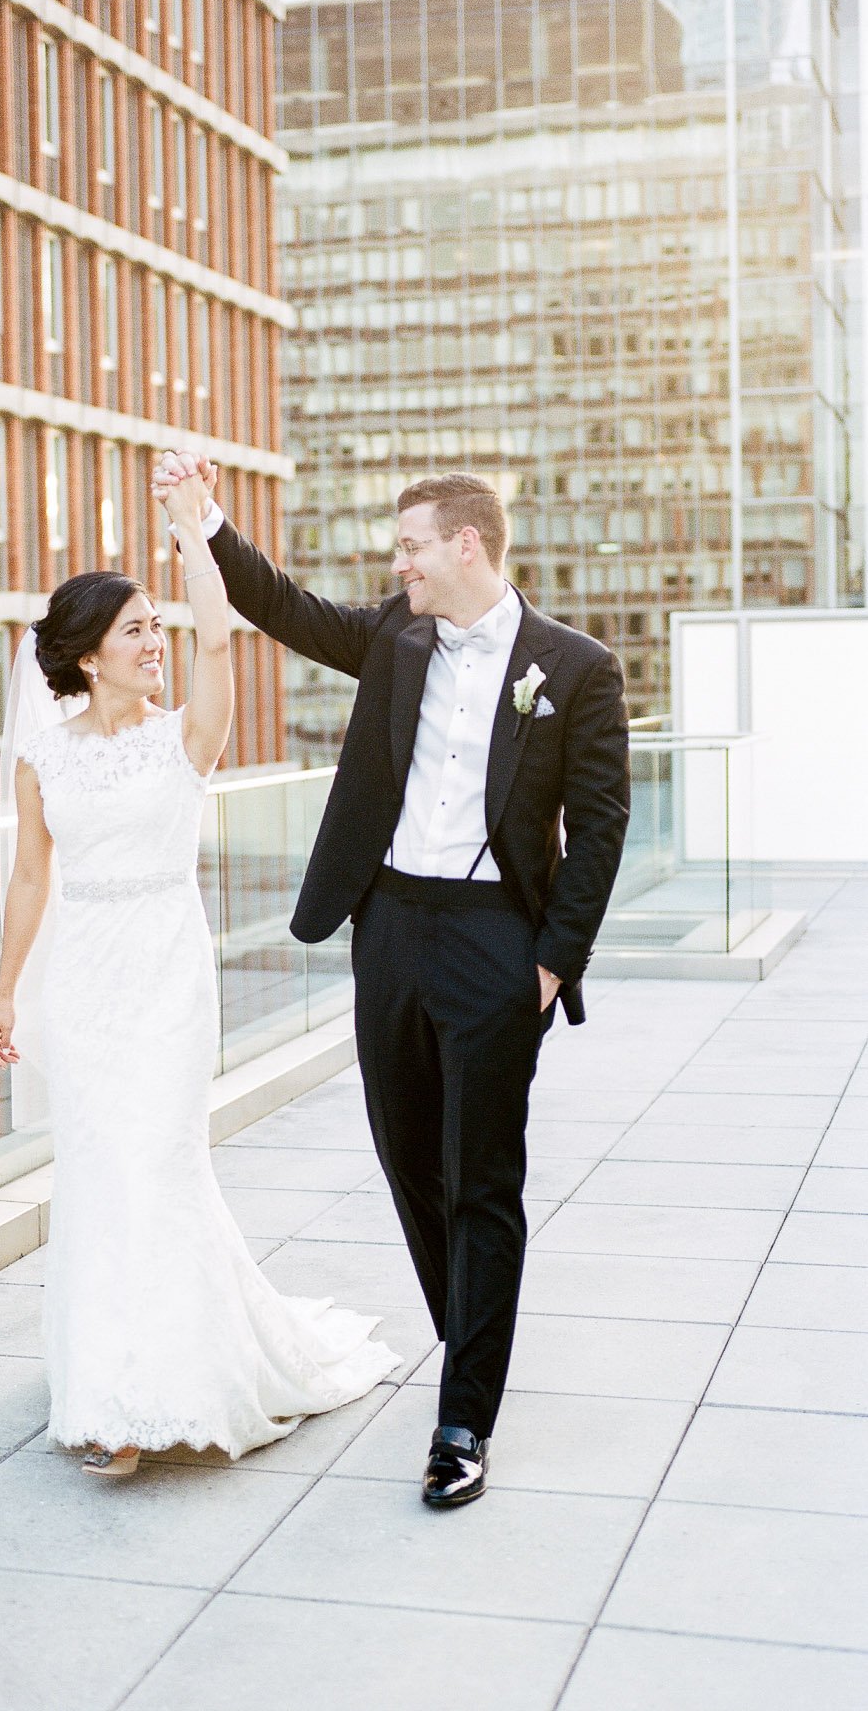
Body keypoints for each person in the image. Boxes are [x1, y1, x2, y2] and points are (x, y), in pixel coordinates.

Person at [151, 453, 631, 1508]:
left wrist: (553, 959)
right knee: (408, 1158)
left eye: (411, 544)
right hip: (391, 930)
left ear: (467, 544)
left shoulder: (576, 668)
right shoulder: (393, 639)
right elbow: (279, 605)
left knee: (481, 1177)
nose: (397, 561)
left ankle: (463, 1417)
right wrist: (205, 520)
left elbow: (599, 826)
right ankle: (472, 1339)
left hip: (499, 945)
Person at [0, 463, 399, 1477]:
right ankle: (107, 1395)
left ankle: (168, 1382)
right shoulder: (43, 760)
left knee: (157, 1165)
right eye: (132, 632)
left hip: (169, 971)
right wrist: (3, 992)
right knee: (97, 1174)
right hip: (83, 980)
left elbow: (219, 635)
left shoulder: (188, 739)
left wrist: (190, 532)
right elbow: (32, 879)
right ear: (86, 658)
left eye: (150, 626)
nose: (152, 642)